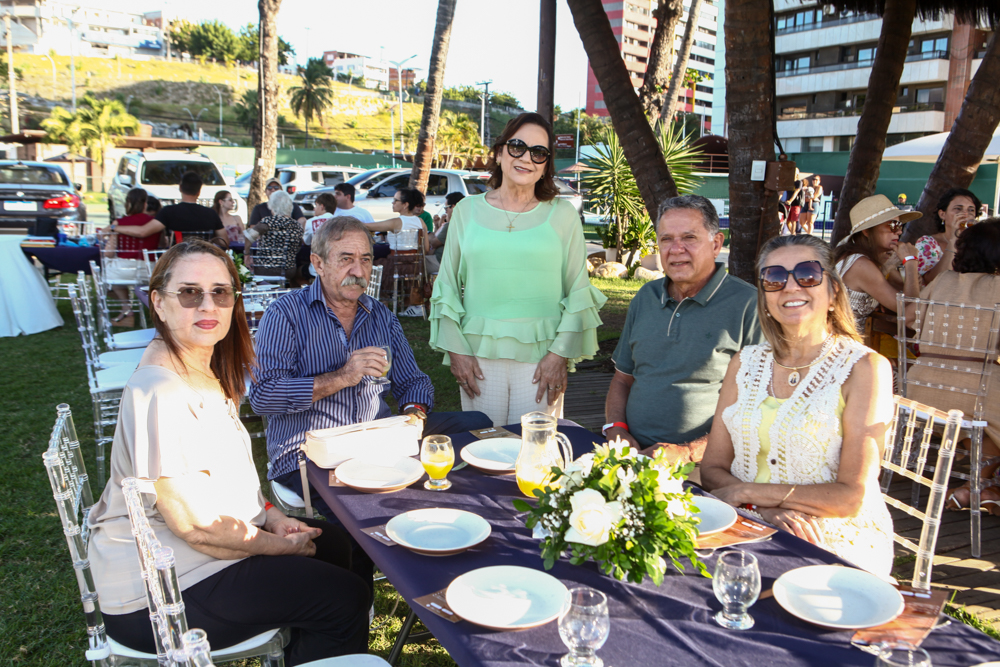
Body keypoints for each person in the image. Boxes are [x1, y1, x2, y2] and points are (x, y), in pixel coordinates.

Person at [86, 241, 370, 664]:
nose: (208, 305)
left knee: (338, 545)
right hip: (159, 594)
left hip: (193, 557)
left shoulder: (200, 365)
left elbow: (223, 481)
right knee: (343, 597)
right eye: (189, 293)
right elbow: (196, 527)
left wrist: (272, 517)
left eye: (220, 292)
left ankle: (313, 646)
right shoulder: (161, 390)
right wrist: (279, 547)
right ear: (159, 303)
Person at [249, 217, 491, 586]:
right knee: (361, 516)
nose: (358, 270)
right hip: (309, 452)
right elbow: (264, 397)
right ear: (318, 264)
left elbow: (414, 381)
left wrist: (415, 413)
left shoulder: (380, 316)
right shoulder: (286, 315)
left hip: (378, 436)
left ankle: (464, 534)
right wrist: (343, 376)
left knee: (474, 424)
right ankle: (359, 594)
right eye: (346, 258)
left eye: (365, 259)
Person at [701, 234, 895, 577]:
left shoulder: (863, 368)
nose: (790, 287)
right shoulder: (744, 363)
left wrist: (749, 492)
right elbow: (713, 468)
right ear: (765, 298)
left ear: (833, 292)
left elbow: (851, 497)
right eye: (774, 278)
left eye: (807, 274)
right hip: (748, 520)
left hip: (828, 534)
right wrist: (761, 506)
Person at [429, 112, 607, 427]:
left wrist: (559, 355)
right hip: (477, 354)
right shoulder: (467, 211)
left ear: (546, 165)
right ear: (499, 153)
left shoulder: (563, 214)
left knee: (535, 455)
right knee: (483, 447)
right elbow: (446, 287)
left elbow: (578, 288)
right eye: (516, 147)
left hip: (543, 359)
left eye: (538, 152)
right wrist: (456, 351)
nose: (526, 157)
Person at [605, 195, 762, 467]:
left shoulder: (749, 305)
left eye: (689, 237)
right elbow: (622, 379)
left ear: (716, 244)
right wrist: (616, 429)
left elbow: (760, 407)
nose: (676, 249)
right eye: (666, 239)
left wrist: (688, 452)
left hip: (705, 465)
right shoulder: (646, 296)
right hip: (630, 457)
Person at [902, 219, 1000, 513]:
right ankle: (984, 486)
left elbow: (909, 318)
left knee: (980, 424)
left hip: (922, 389)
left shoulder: (944, 280)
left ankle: (981, 487)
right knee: (985, 412)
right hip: (975, 389)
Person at [834, 194, 921, 332]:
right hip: (844, 345)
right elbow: (911, 311)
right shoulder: (860, 264)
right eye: (893, 225)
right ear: (867, 231)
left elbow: (903, 291)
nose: (899, 231)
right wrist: (910, 262)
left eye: (900, 225)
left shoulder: (859, 258)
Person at [114, 171, 226, 245]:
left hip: (177, 262)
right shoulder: (211, 214)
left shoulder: (169, 212)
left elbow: (143, 232)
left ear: (180, 188)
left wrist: (115, 227)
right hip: (204, 262)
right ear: (199, 191)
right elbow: (224, 241)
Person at [105, 188, 159, 323]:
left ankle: (126, 307)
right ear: (145, 203)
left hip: (123, 270)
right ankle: (152, 308)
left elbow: (109, 252)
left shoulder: (118, 223)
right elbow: (162, 244)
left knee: (109, 268)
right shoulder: (155, 223)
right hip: (149, 270)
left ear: (127, 203)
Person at [913, 187, 981, 282]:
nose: (965, 214)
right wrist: (954, 238)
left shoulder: (979, 244)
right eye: (958, 209)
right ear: (942, 214)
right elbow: (931, 281)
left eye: (971, 210)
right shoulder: (928, 243)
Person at [249, 190, 304, 283]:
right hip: (287, 271)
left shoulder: (267, 222)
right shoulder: (297, 225)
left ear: (272, 207)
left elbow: (249, 236)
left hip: (264, 270)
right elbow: (298, 248)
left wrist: (247, 254)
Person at [425, 192, 464, 274]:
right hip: (449, 262)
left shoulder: (451, 225)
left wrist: (427, 233)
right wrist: (437, 226)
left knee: (417, 263)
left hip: (442, 262)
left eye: (446, 208)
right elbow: (439, 238)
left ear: (453, 207)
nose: (445, 212)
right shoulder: (463, 222)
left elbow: (434, 243)